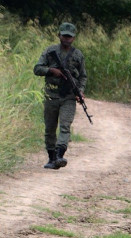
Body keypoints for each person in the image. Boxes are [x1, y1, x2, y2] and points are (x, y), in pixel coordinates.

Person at [33, 22, 87, 170]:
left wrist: (80, 91)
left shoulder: (78, 55)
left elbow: (83, 76)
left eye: (69, 37)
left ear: (73, 38)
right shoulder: (50, 51)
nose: (66, 39)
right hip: (51, 94)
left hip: (68, 96)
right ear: (59, 35)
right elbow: (37, 69)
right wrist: (51, 70)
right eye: (64, 36)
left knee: (65, 126)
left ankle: (59, 155)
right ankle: (51, 158)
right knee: (50, 128)